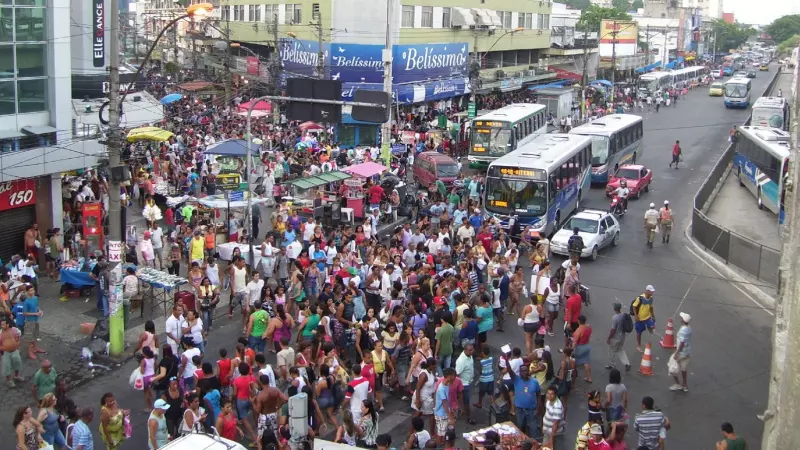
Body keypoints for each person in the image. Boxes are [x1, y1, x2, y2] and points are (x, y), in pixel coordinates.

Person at [503, 352, 541, 440]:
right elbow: (509, 370)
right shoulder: (516, 379)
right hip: (520, 410)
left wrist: (538, 408)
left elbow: (539, 395)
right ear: (519, 373)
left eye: (526, 370)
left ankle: (535, 445)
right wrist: (506, 360)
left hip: (531, 410)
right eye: (522, 371)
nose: (524, 372)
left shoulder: (534, 382)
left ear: (528, 371)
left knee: (533, 429)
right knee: (520, 428)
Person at [670, 312, 692, 392]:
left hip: (681, 353)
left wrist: (676, 353)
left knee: (672, 368)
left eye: (681, 318)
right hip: (687, 353)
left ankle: (678, 384)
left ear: (683, 320)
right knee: (684, 369)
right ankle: (685, 385)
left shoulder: (683, 330)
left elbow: (682, 342)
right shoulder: (689, 328)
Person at [606, 302, 631, 371]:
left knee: (611, 350)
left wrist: (609, 338)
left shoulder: (615, 318)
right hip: (622, 337)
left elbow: (613, 330)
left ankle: (612, 365)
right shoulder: (623, 315)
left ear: (614, 308)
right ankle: (627, 363)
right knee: (620, 350)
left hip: (616, 337)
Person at [632, 286, 656, 352]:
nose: (652, 293)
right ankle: (639, 345)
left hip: (647, 317)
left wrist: (653, 316)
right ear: (647, 291)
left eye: (652, 291)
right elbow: (634, 306)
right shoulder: (640, 298)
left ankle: (649, 328)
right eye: (651, 291)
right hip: (640, 319)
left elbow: (651, 307)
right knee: (639, 333)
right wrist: (636, 316)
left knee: (653, 326)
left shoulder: (651, 298)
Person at [2, 318, 23, 387]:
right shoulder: (0, 333)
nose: (1, 325)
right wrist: (4, 348)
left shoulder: (14, 330)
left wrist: (17, 345)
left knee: (17, 363)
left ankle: (16, 376)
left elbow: (18, 338)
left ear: (8, 325)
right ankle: (9, 381)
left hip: (15, 351)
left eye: (3, 324)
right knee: (7, 367)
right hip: (6, 353)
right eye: (1, 324)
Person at [541, 385, 563, 449]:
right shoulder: (548, 400)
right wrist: (543, 426)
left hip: (552, 433)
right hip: (547, 430)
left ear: (555, 395)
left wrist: (551, 438)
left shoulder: (557, 406)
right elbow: (546, 413)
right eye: (548, 393)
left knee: (547, 447)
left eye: (552, 394)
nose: (549, 395)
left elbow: (555, 423)